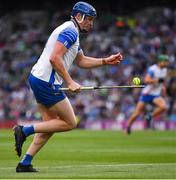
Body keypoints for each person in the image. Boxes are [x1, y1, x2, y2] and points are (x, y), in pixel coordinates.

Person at [13, 1, 123, 172]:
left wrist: (104, 61)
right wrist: (70, 82)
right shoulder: (70, 31)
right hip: (46, 81)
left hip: (38, 78)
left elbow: (81, 61)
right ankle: (24, 130)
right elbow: (54, 58)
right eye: (89, 19)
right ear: (79, 16)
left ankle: (25, 163)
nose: (91, 23)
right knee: (70, 122)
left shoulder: (73, 32)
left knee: (50, 125)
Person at [125, 54, 169, 134]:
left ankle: (149, 116)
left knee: (163, 107)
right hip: (147, 93)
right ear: (160, 62)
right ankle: (128, 127)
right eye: (165, 61)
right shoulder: (152, 69)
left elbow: (162, 82)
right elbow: (147, 80)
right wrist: (157, 81)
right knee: (137, 112)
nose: (167, 63)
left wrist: (163, 88)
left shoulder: (164, 70)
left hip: (156, 94)